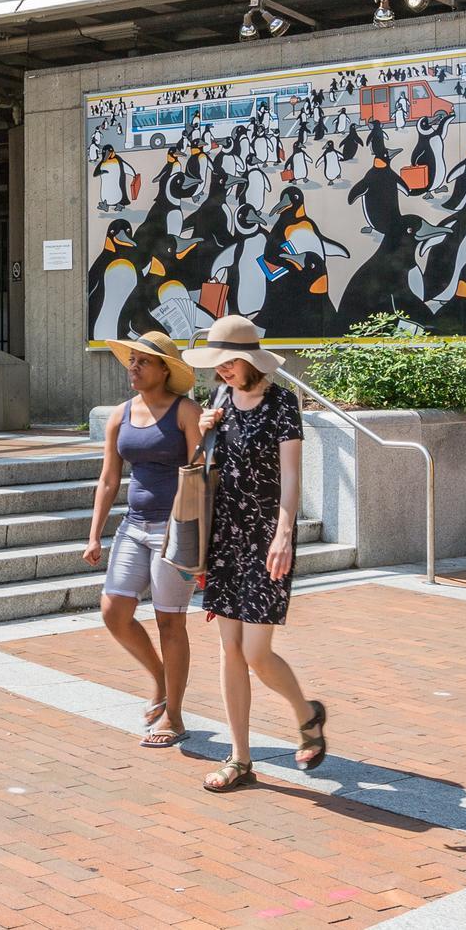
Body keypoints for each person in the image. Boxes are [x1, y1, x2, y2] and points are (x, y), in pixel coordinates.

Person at [183, 315, 326, 793]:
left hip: (267, 535)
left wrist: (284, 535)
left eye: (227, 363)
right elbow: (205, 469)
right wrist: (203, 433)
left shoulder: (283, 401)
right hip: (225, 535)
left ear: (250, 360)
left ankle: (306, 715)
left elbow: (291, 479)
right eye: (216, 365)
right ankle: (240, 758)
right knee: (229, 650)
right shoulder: (219, 399)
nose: (220, 372)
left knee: (256, 653)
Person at [85, 332, 202, 749]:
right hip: (133, 526)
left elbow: (202, 475)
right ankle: (159, 679)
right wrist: (95, 533)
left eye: (142, 362)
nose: (133, 368)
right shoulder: (120, 414)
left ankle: (174, 716)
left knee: (170, 620)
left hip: (175, 531)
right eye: (131, 360)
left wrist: (203, 542)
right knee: (114, 611)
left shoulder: (186, 412)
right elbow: (109, 478)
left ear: (164, 370)